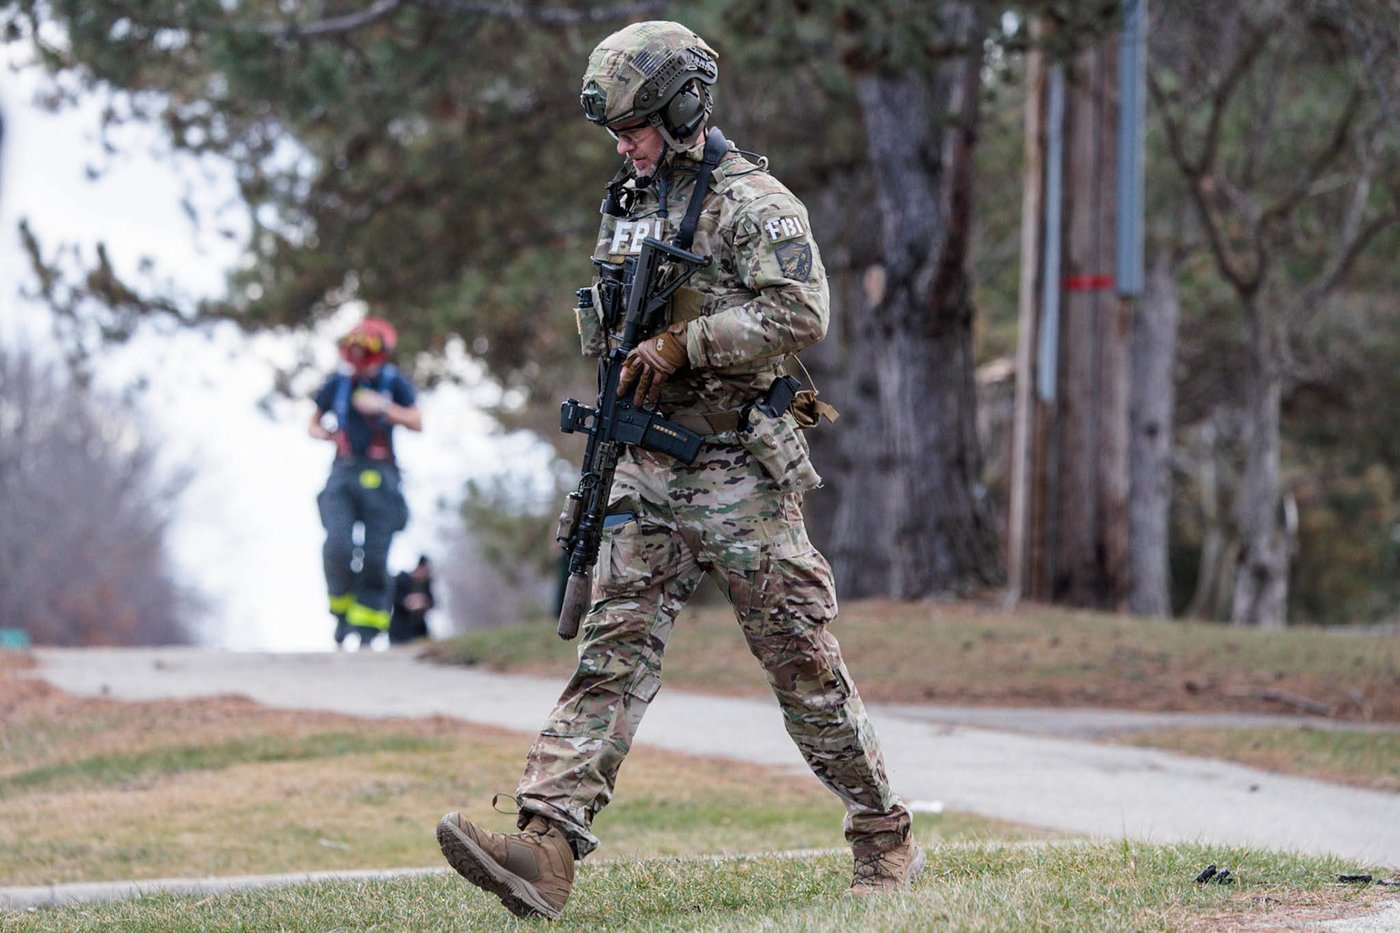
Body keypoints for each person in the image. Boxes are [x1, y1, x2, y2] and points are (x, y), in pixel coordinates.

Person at [436, 21, 919, 920]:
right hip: (646, 468)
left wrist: (686, 340)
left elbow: (801, 311)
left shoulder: (753, 201)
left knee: (803, 666)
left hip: (740, 471)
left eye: (636, 127)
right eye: (617, 133)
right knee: (610, 656)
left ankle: (883, 833)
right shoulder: (629, 202)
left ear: (687, 107)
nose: (624, 146)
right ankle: (545, 845)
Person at [309, 317, 422, 648]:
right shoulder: (336, 384)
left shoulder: (393, 382)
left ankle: (369, 629)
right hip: (343, 472)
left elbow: (417, 420)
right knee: (337, 546)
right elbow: (312, 424)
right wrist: (326, 434)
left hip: (382, 475)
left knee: (375, 555)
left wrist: (384, 407)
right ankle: (341, 617)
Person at [388, 554, 435, 645]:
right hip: (399, 629)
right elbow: (392, 599)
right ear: (419, 567)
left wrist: (423, 602)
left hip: (418, 630)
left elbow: (433, 602)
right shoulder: (402, 580)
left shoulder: (426, 584)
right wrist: (408, 602)